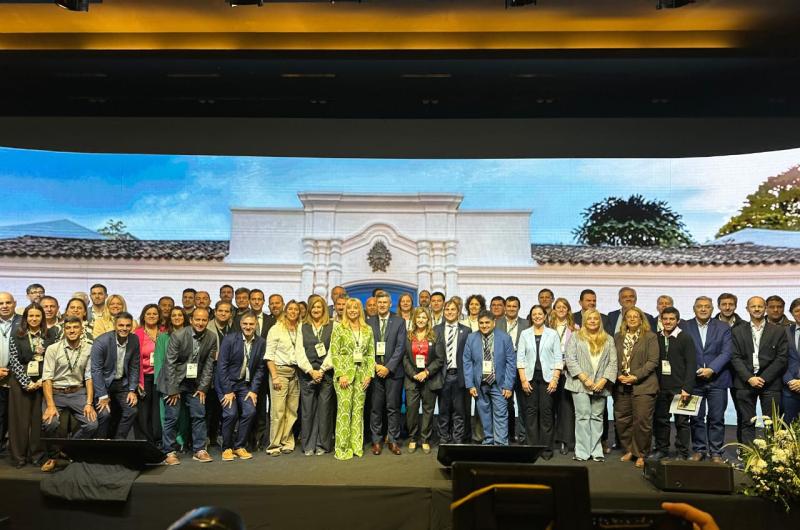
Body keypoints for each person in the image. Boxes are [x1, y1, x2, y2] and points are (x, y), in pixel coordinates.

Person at [39, 316, 98, 472]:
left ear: (82, 330)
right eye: (68, 328)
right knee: (50, 423)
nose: (72, 331)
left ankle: (66, 449)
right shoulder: (53, 349)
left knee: (92, 424)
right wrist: (50, 405)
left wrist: (89, 403)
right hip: (56, 392)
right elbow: (47, 379)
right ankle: (53, 456)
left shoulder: (89, 348)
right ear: (64, 330)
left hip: (78, 392)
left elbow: (89, 377)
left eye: (75, 327)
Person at [160, 307, 217, 464]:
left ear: (208, 321)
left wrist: (203, 388)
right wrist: (172, 389)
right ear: (191, 320)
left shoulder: (211, 337)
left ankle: (200, 450)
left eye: (204, 320)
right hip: (175, 381)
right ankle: (169, 452)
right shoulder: (178, 335)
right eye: (197, 319)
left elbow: (209, 365)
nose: (200, 323)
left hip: (195, 383)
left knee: (199, 414)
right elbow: (169, 363)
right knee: (172, 417)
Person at [731, 296, 788, 446]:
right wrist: (749, 377)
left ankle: (772, 454)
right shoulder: (737, 331)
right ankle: (749, 454)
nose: (756, 309)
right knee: (746, 421)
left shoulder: (778, 331)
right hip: (745, 383)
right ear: (747, 309)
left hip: (771, 383)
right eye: (753, 306)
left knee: (772, 423)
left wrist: (763, 378)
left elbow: (782, 358)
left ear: (765, 309)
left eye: (760, 306)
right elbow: (735, 357)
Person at [683, 296, 734, 463]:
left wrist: (711, 369)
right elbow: (682, 352)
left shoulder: (723, 327)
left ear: (712, 309)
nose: (703, 309)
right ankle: (699, 450)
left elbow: (727, 352)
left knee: (716, 418)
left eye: (707, 306)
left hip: (717, 380)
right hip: (694, 380)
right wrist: (696, 370)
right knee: (696, 418)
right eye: (700, 306)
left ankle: (716, 452)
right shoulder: (684, 326)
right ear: (694, 309)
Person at [565, 309, 617, 462]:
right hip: (580, 384)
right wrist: (584, 379)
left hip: (601, 385)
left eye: (595, 318)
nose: (593, 321)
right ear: (584, 321)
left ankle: (596, 451)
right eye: (589, 319)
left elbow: (613, 362)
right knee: (582, 416)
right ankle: (582, 452)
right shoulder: (575, 336)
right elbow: (570, 359)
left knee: (597, 417)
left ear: (600, 321)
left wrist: (603, 380)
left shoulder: (608, 339)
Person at [7, 303, 56, 467]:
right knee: (19, 420)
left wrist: (42, 381)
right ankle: (19, 457)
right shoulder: (17, 333)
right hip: (21, 381)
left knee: (38, 420)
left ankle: (37, 455)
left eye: (37, 316)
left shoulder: (50, 334)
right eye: (31, 316)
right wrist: (26, 382)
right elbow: (14, 360)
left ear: (42, 317)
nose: (34, 319)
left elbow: (53, 359)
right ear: (25, 318)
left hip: (43, 380)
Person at [215, 311, 266, 462]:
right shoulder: (230, 339)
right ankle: (227, 447)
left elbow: (260, 368)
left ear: (256, 325)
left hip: (245, 385)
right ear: (240, 324)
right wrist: (228, 391)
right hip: (227, 383)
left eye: (251, 324)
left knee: (250, 411)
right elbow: (221, 366)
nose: (248, 327)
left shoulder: (261, 342)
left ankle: (239, 446)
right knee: (231, 414)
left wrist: (254, 390)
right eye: (245, 324)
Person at [613, 306, 659, 468]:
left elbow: (653, 361)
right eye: (629, 317)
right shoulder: (618, 337)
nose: (632, 319)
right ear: (625, 320)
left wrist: (635, 376)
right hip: (621, 385)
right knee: (623, 420)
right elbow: (612, 359)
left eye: (635, 316)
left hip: (644, 385)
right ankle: (629, 450)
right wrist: (618, 374)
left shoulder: (650, 337)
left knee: (642, 421)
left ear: (641, 320)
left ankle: (641, 453)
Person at [331, 297, 375, 460]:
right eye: (349, 308)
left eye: (355, 308)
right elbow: (334, 353)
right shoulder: (339, 328)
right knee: (344, 411)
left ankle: (356, 446)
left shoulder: (367, 329)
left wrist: (369, 374)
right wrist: (340, 374)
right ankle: (342, 448)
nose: (352, 311)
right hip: (344, 376)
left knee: (358, 411)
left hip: (362, 375)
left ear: (360, 310)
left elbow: (370, 354)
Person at [463, 310, 516, 445]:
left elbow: (511, 363)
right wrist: (470, 384)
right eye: (481, 323)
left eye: (487, 322)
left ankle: (500, 443)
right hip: (479, 384)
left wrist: (508, 385)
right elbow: (467, 362)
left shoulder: (505, 338)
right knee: (484, 415)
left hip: (499, 384)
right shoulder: (471, 338)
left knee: (501, 414)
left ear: (494, 322)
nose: (484, 325)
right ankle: (488, 441)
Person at [651, 307, 697, 460]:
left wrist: (687, 388)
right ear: (661, 320)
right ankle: (661, 449)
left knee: (682, 422)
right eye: (665, 319)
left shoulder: (685, 338)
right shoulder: (656, 337)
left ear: (678, 320)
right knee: (660, 420)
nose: (668, 322)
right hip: (661, 387)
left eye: (671, 319)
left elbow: (691, 365)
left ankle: (682, 452)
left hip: (680, 388)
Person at [517, 305, 562, 459]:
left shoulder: (553, 334)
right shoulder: (524, 334)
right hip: (529, 379)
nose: (537, 316)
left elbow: (558, 358)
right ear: (531, 317)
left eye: (539, 313)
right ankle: (532, 448)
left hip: (548, 379)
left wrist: (555, 379)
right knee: (530, 413)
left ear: (545, 315)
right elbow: (520, 359)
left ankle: (546, 449)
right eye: (534, 314)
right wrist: (523, 380)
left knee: (546, 413)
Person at [366, 291, 406, 455]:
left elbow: (400, 347)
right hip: (375, 371)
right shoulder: (369, 322)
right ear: (376, 304)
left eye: (385, 302)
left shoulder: (399, 321)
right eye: (379, 302)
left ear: (390, 304)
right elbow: (366, 347)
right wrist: (376, 366)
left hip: (393, 373)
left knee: (393, 408)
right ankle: (376, 441)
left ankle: (393, 440)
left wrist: (388, 367)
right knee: (375, 408)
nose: (382, 305)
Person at [403, 307, 445, 454]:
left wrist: (426, 372)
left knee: (428, 410)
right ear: (414, 319)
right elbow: (405, 358)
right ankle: (413, 438)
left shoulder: (435, 336)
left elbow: (440, 359)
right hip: (412, 378)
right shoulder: (408, 335)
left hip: (429, 378)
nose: (421, 320)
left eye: (424, 317)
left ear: (428, 320)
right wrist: (413, 374)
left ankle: (425, 439)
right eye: (418, 317)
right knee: (411, 410)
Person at [92, 312, 140, 440]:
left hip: (122, 384)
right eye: (121, 325)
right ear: (115, 325)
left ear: (132, 326)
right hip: (104, 384)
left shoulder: (134, 340)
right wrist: (102, 395)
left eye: (128, 325)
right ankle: (100, 442)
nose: (124, 328)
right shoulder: (101, 341)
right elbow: (96, 370)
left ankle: (119, 441)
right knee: (104, 414)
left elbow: (134, 366)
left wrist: (132, 390)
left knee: (132, 411)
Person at [297, 295, 335, 456]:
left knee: (324, 411)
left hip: (326, 374)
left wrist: (322, 369)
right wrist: (310, 371)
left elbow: (334, 350)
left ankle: (322, 445)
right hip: (307, 374)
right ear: (309, 309)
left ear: (324, 309)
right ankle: (308, 445)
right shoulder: (302, 326)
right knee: (308, 411)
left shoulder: (333, 326)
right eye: (313, 307)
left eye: (319, 307)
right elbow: (299, 351)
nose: (316, 310)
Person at [264, 300, 302, 456]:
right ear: (286, 311)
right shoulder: (276, 329)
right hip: (279, 372)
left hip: (296, 373)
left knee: (292, 411)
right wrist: (274, 377)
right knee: (278, 411)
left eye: (296, 309)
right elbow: (269, 356)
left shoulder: (300, 328)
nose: (293, 312)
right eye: (290, 309)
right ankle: (274, 445)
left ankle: (287, 442)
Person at [153, 307, 190, 452]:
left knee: (184, 414)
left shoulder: (191, 336)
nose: (177, 317)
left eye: (180, 315)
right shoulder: (163, 337)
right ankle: (169, 444)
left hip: (185, 382)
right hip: (167, 383)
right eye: (174, 315)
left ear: (184, 318)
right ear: (170, 319)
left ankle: (181, 441)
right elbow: (159, 362)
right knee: (168, 415)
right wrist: (164, 386)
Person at [436, 299, 470, 445]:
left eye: (453, 309)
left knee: (459, 410)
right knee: (443, 409)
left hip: (459, 375)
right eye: (447, 309)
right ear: (443, 312)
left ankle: (457, 438)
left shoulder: (466, 331)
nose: (450, 312)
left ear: (458, 312)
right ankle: (443, 437)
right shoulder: (436, 330)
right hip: (442, 375)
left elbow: (469, 356)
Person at [548, 297, 579, 455]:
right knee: (550, 406)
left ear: (568, 310)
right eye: (558, 307)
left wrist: (567, 363)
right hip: (550, 372)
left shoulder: (575, 328)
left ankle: (565, 441)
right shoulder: (548, 327)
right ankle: (551, 439)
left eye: (564, 307)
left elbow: (578, 350)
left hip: (567, 372)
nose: (561, 309)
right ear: (554, 309)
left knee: (566, 407)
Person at [496, 295, 528, 444]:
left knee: (523, 404)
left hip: (522, 369)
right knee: (506, 404)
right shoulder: (496, 323)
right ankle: (508, 435)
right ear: (505, 307)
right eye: (508, 306)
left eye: (514, 306)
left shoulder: (526, 324)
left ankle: (523, 436)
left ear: (519, 308)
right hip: (503, 370)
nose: (511, 309)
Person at [132, 304, 162, 446]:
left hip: (160, 377)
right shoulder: (137, 333)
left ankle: (158, 441)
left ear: (159, 316)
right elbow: (133, 359)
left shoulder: (164, 332)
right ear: (143, 316)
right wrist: (137, 381)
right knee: (143, 412)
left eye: (154, 314)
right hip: (143, 377)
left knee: (157, 411)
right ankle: (145, 442)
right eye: (148, 313)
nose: (151, 316)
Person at [783, 297, 800, 424]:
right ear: (792, 313)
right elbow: (780, 359)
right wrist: (789, 380)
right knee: (789, 429)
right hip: (790, 389)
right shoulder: (785, 332)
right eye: (797, 311)